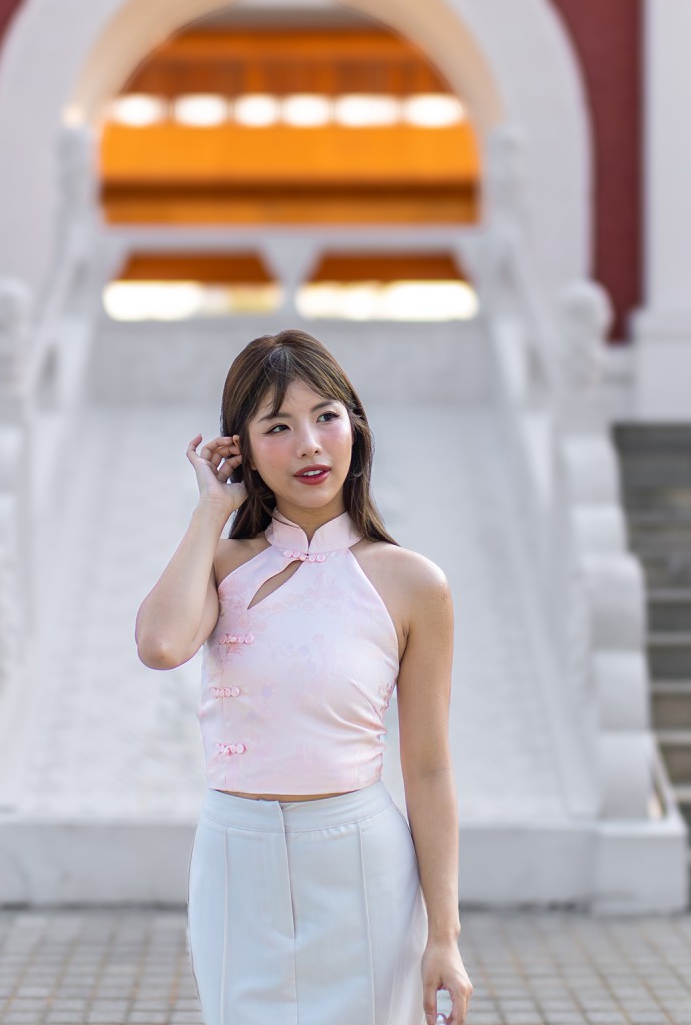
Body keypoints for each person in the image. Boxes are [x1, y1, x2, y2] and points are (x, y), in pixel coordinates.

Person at [135, 329, 473, 1025]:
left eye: (326, 416)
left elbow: (431, 770)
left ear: (355, 427)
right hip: (236, 862)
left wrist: (445, 936)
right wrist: (210, 509)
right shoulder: (224, 567)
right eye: (278, 427)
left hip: (362, 863)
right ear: (245, 451)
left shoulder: (413, 584)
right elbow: (162, 644)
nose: (311, 445)